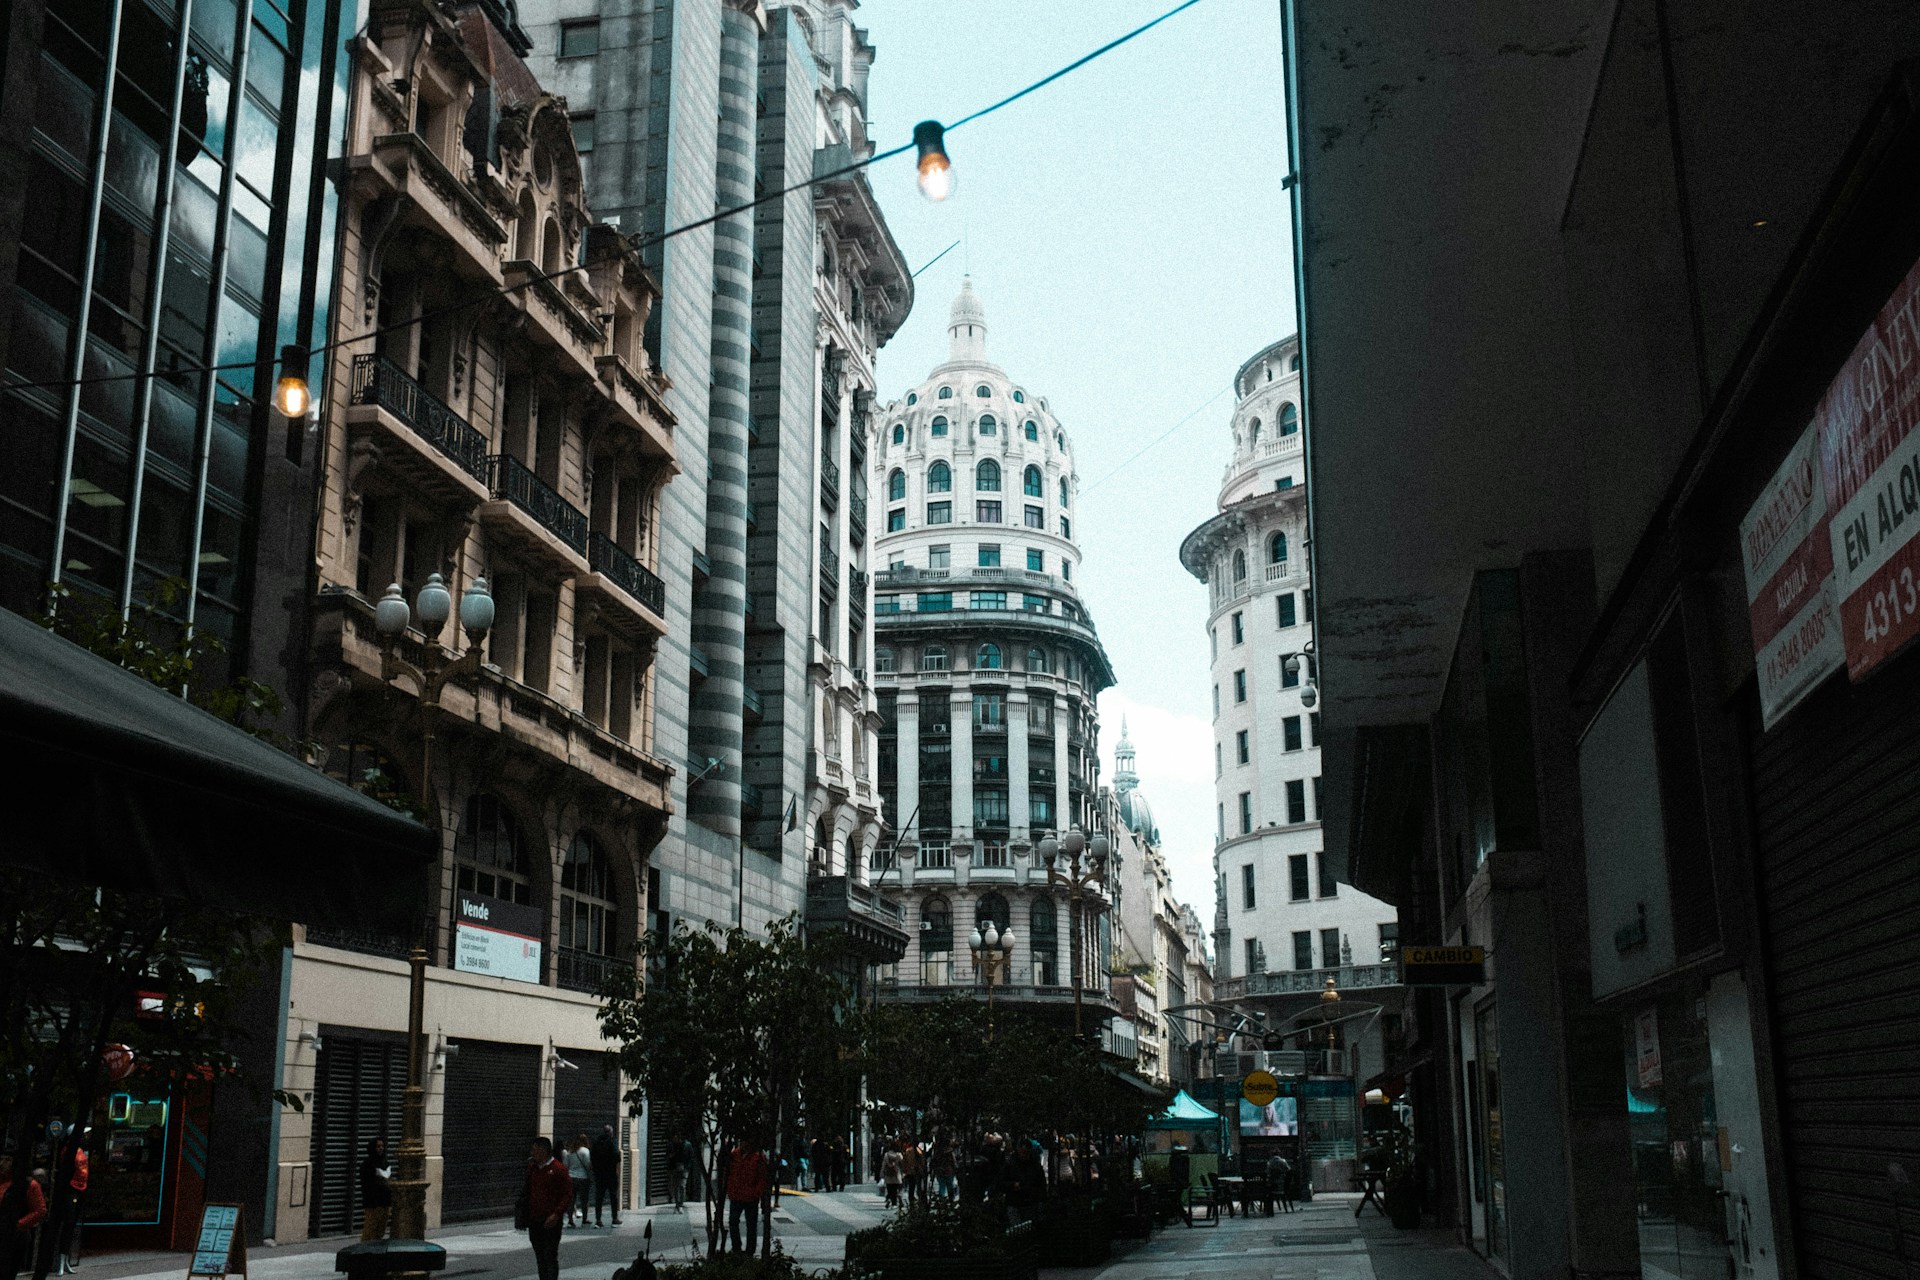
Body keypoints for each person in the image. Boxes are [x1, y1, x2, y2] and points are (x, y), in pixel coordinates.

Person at [521, 1137, 572, 1280]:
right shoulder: (533, 1169)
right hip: (535, 1219)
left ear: (543, 1151)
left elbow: (567, 1194)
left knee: (550, 1255)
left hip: (551, 1221)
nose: (532, 1153)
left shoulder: (558, 1169)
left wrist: (556, 1214)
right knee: (540, 1256)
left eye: (534, 1150)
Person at [1, 1155, 49, 1280]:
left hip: (14, 1235)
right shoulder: (3, 1181)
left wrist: (17, 1225)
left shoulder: (28, 1185)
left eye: (6, 1160)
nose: (2, 1164)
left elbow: (40, 1210)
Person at [723, 1141, 769, 1254]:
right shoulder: (735, 1155)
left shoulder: (758, 1157)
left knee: (751, 1224)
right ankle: (737, 1247)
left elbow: (762, 1177)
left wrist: (756, 1192)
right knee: (733, 1222)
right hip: (737, 1195)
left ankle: (750, 1250)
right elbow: (729, 1173)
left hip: (751, 1196)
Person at [358, 1138, 393, 1241]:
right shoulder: (367, 1164)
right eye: (378, 1146)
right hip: (373, 1203)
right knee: (370, 1228)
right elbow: (367, 1184)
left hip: (385, 1201)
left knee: (381, 1229)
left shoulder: (386, 1164)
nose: (381, 1148)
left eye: (382, 1146)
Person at [591, 1126, 622, 1226]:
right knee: (613, 1196)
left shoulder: (596, 1142)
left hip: (599, 1174)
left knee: (599, 1198)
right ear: (611, 1132)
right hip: (611, 1174)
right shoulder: (612, 1142)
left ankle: (598, 1220)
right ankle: (615, 1218)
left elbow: (592, 1157)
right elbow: (617, 1156)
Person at [564, 1136, 592, 1228]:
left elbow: (565, 1166)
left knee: (571, 1200)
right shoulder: (585, 1151)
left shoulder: (569, 1152)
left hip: (571, 1177)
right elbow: (588, 1164)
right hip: (583, 1178)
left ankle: (570, 1221)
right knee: (584, 1200)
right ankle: (584, 1219)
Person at [1169, 1144, 1192, 1226]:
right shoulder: (1184, 1159)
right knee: (1176, 1200)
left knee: (1175, 1200)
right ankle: (1184, 1216)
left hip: (1177, 1182)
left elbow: (1173, 1172)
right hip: (1181, 1182)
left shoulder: (1175, 1160)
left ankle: (1184, 1216)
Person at [929, 1136, 957, 1202]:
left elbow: (933, 1162)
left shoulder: (937, 1152)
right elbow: (954, 1162)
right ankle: (950, 1199)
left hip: (940, 1171)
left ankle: (942, 1199)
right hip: (948, 1171)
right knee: (949, 1185)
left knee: (942, 1186)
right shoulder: (950, 1153)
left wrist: (932, 1170)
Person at [667, 1138, 691, 1212]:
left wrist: (687, 1167)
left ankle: (680, 1203)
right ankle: (677, 1203)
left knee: (682, 1186)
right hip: (675, 1168)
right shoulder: (671, 1145)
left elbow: (690, 1157)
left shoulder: (687, 1145)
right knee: (676, 1186)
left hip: (684, 1168)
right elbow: (668, 1156)